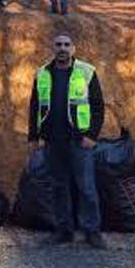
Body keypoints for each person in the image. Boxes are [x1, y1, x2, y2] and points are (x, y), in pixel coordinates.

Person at [28, 33, 106, 249]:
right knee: (59, 187)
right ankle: (64, 231)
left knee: (87, 188)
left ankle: (92, 232)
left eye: (66, 44)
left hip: (79, 141)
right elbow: (35, 106)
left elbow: (98, 106)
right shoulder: (42, 73)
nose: (62, 48)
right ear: (52, 47)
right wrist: (34, 137)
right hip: (53, 141)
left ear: (73, 48)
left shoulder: (86, 72)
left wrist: (92, 135)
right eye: (58, 44)